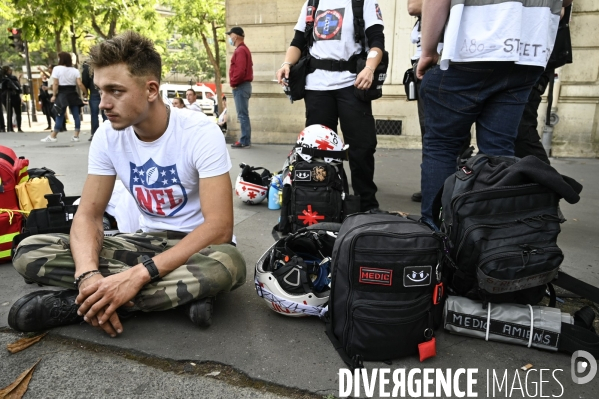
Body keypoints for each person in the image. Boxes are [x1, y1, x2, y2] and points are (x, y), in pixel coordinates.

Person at [8, 31, 246, 336]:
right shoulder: (107, 136)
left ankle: (80, 306)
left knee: (228, 263)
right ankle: (163, 298)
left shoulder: (200, 133)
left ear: (150, 89)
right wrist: (87, 276)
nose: (103, 103)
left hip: (197, 248)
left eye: (115, 91)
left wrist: (138, 276)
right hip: (141, 242)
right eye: (99, 91)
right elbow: (89, 215)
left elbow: (220, 227)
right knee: (30, 249)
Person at [415, 0, 570, 227]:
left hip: (472, 46)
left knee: (442, 146)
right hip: (527, 50)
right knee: (498, 153)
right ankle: (489, 238)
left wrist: (427, 51)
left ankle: (437, 233)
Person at [275, 0, 386, 213]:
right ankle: (323, 199)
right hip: (316, 87)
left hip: (352, 84)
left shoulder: (363, 2)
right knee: (317, 149)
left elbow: (377, 42)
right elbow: (298, 41)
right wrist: (286, 64)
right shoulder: (313, 3)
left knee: (361, 147)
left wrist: (370, 68)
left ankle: (367, 205)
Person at [41, 52, 87, 142]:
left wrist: (54, 95)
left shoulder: (57, 69)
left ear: (61, 59)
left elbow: (55, 83)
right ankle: (76, 136)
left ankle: (53, 136)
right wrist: (85, 92)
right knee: (76, 115)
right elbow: (80, 84)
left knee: (59, 114)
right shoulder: (75, 70)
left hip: (62, 94)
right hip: (73, 93)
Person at [226, 27, 253, 149]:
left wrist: (233, 82)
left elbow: (240, 70)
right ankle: (245, 139)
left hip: (240, 86)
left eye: (230, 36)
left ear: (235, 37)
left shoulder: (240, 51)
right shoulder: (243, 49)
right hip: (243, 86)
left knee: (242, 115)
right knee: (243, 114)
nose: (229, 38)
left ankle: (244, 140)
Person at [82, 60, 107, 141]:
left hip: (94, 91)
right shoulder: (104, 64)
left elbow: (84, 81)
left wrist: (85, 92)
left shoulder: (87, 67)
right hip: (104, 91)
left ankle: (95, 134)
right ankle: (107, 133)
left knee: (94, 114)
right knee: (106, 113)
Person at [1, 66, 23, 132]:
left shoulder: (10, 78)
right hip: (10, 96)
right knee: (12, 112)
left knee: (14, 113)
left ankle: (15, 127)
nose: (10, 71)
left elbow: (18, 86)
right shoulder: (6, 79)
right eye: (9, 70)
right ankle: (13, 127)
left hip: (11, 96)